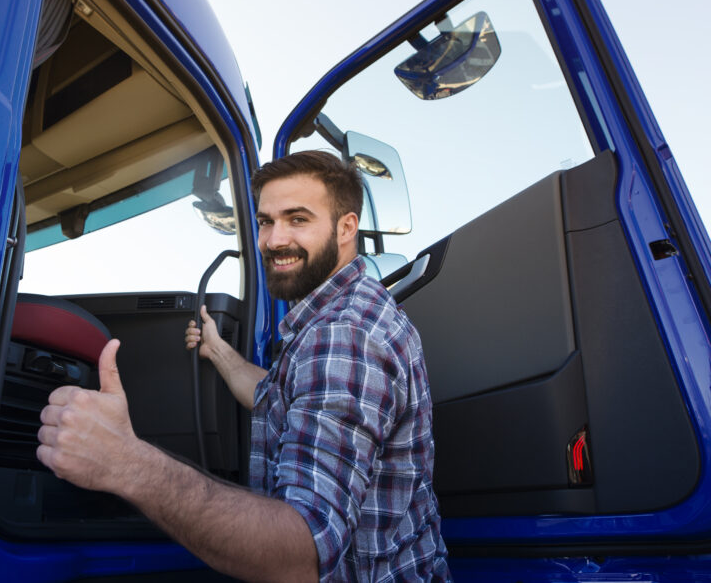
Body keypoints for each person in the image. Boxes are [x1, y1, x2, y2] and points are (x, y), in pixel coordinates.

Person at [37, 151, 450, 582]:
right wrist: (217, 350)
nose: (273, 240)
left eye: (297, 219)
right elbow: (275, 396)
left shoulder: (343, 335)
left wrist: (125, 462)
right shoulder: (339, 316)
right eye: (266, 221)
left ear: (346, 228)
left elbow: (301, 553)